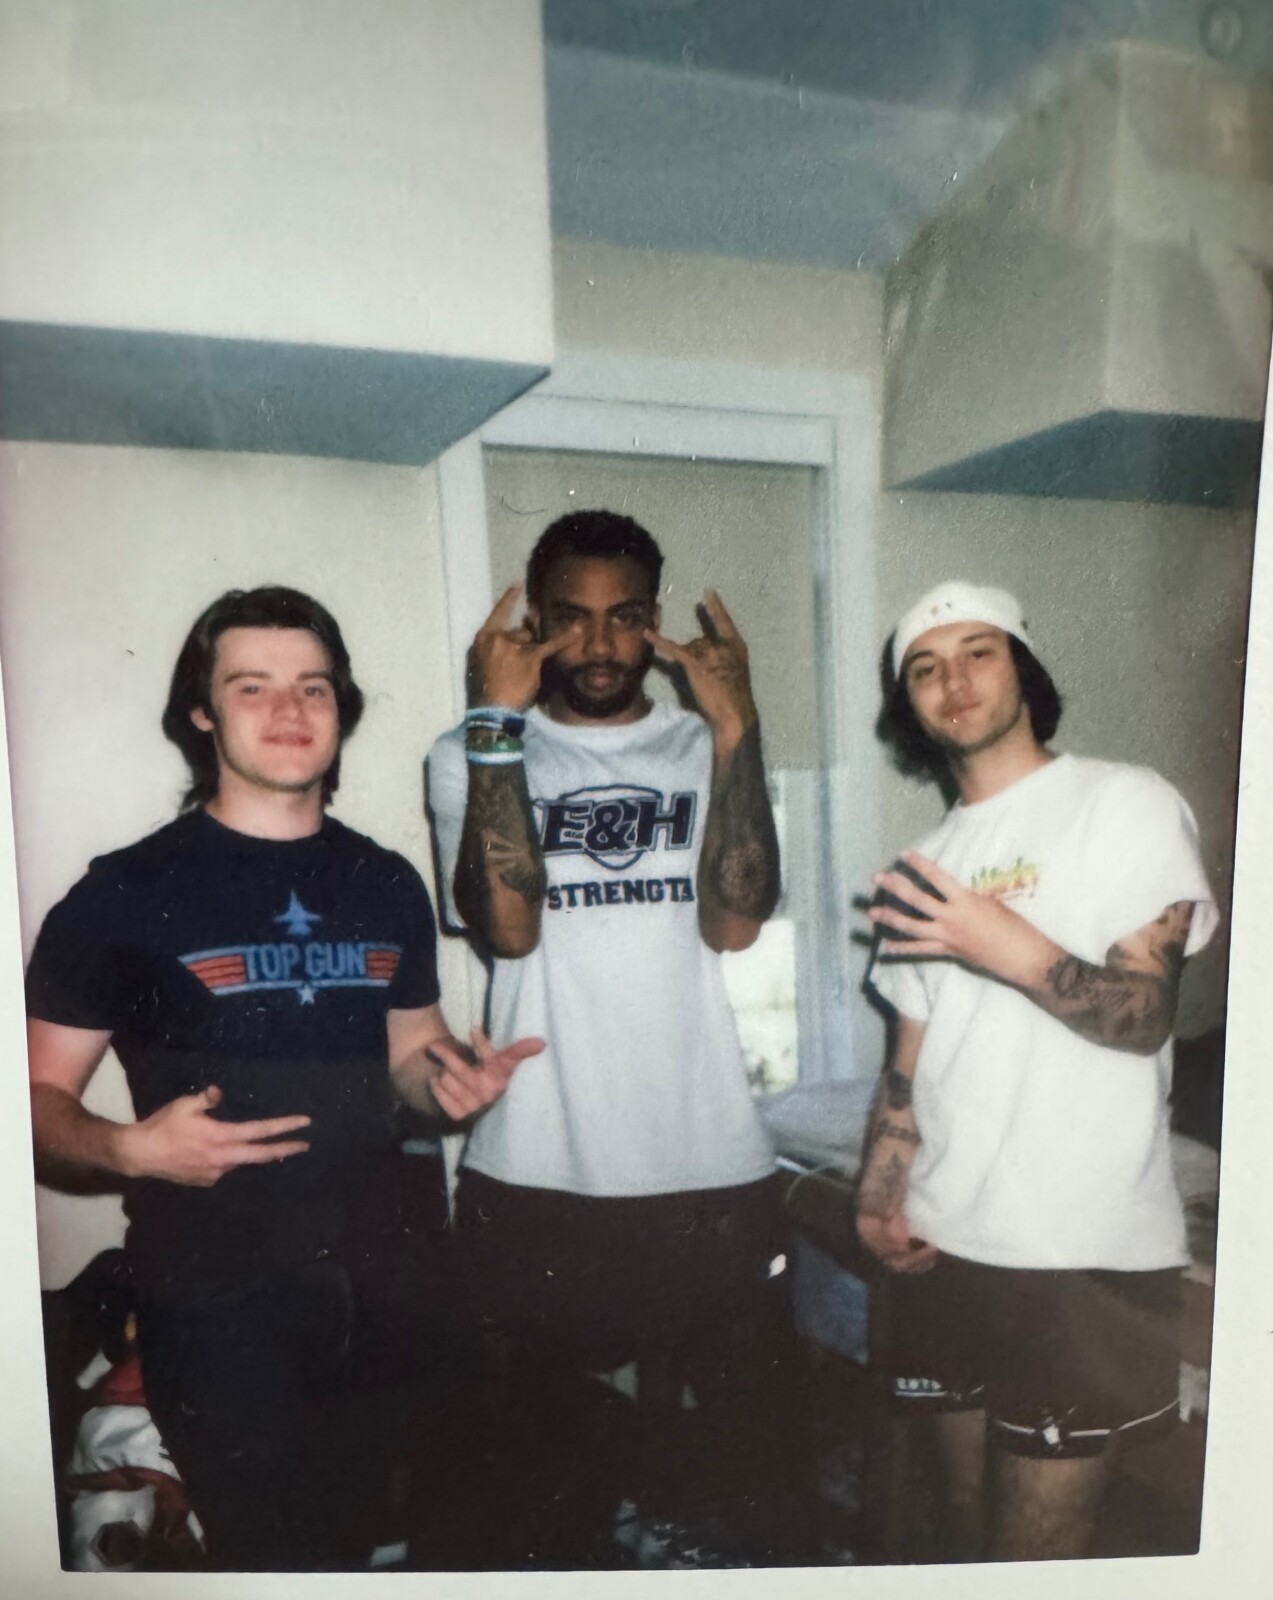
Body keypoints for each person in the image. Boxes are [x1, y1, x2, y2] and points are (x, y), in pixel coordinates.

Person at [25, 585, 543, 1571]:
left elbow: (411, 1054)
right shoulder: (121, 893)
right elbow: (32, 1104)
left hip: (389, 1287)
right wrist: (129, 1148)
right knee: (269, 1560)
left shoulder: (384, 879)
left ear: (341, 707)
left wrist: (450, 1085)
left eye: (313, 686)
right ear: (201, 712)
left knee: (372, 1547)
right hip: (218, 1302)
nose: (290, 709)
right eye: (252, 686)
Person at [426, 510, 791, 1563]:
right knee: (536, 1492)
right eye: (569, 618)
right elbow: (508, 928)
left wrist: (737, 728)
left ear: (655, 622)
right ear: (534, 623)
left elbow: (736, 920)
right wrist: (496, 724)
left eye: (624, 617)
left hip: (708, 1167)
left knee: (746, 1482)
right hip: (536, 1168)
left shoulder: (705, 744)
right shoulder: (470, 749)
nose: (596, 644)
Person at [857, 579, 1218, 1562]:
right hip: (943, 1242)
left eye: (978, 652)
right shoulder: (924, 862)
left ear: (1023, 669)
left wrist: (1004, 944)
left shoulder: (1125, 801)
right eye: (924, 668)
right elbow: (909, 1059)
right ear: (908, 706)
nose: (953, 681)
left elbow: (1142, 1016)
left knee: (1036, 1559)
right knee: (966, 1534)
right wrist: (880, 1188)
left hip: (1078, 1258)